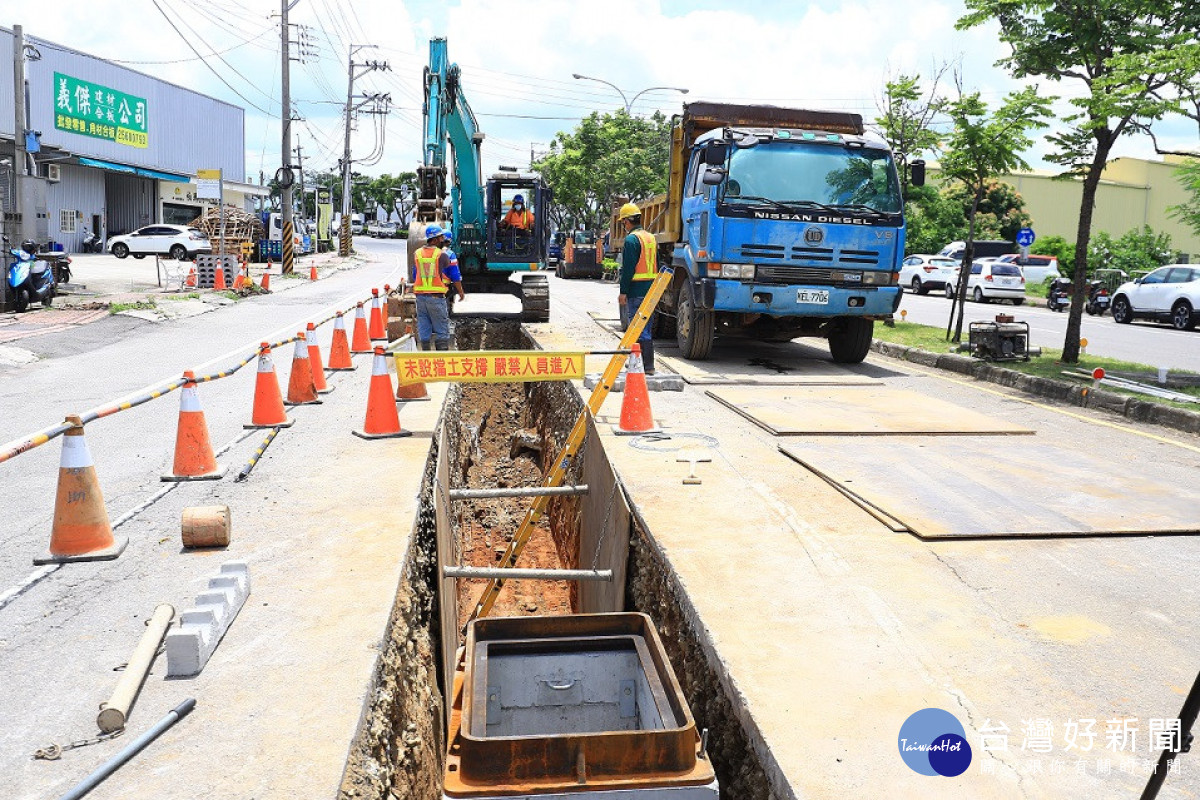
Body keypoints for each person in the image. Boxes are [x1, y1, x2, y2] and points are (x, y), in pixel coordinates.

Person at [617, 201, 658, 374]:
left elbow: (628, 269)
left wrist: (623, 292)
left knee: (636, 329)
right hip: (651, 289)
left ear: (626, 221)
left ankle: (643, 365)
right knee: (645, 327)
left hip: (636, 290)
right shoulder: (650, 237)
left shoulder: (632, 240)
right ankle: (648, 365)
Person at [409, 225, 464, 351]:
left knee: (424, 326)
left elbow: (414, 275)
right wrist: (460, 292)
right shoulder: (442, 255)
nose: (442, 240)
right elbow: (454, 274)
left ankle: (426, 355)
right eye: (440, 238)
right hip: (436, 297)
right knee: (441, 328)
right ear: (434, 239)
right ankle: (441, 357)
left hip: (421, 298)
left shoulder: (417, 253)